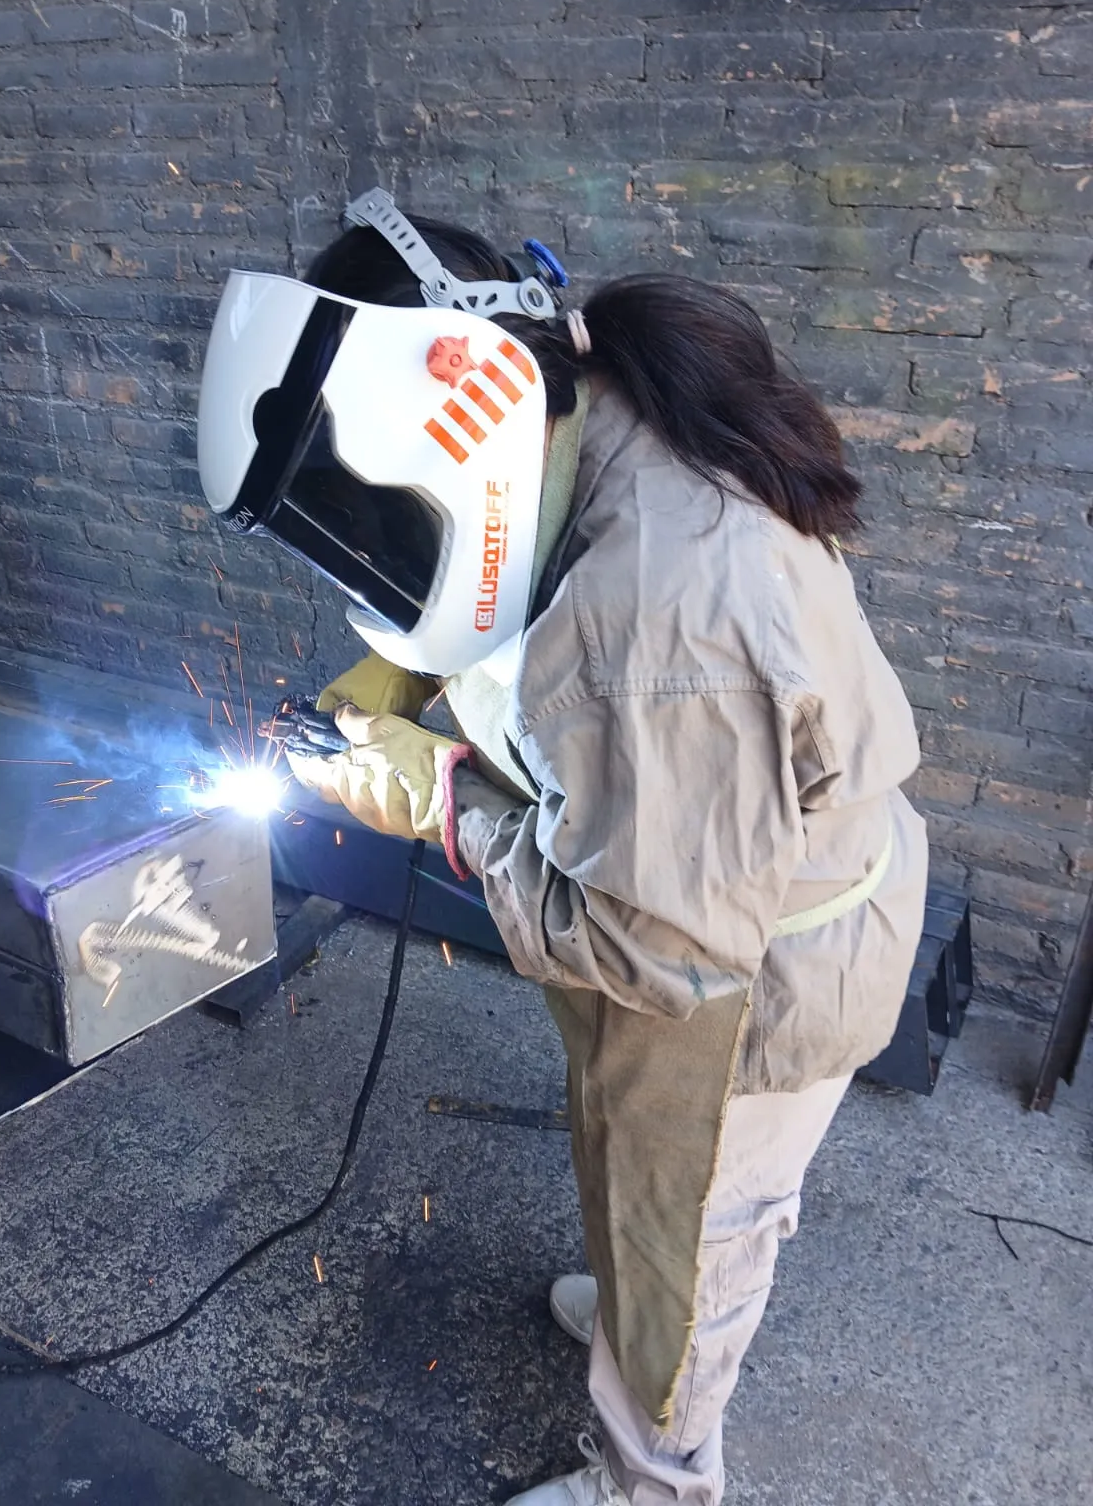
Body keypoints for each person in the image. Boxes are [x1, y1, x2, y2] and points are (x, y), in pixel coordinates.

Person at [196, 192, 929, 1506]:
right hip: (664, 875)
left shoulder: (675, 620)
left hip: (745, 981)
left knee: (697, 1240)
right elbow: (486, 594)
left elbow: (654, 953)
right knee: (614, 1133)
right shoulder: (562, 389)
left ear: (454, 425)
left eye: (369, 516)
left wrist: (438, 805)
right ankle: (642, 1285)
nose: (364, 547)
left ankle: (656, 1470)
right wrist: (394, 686)